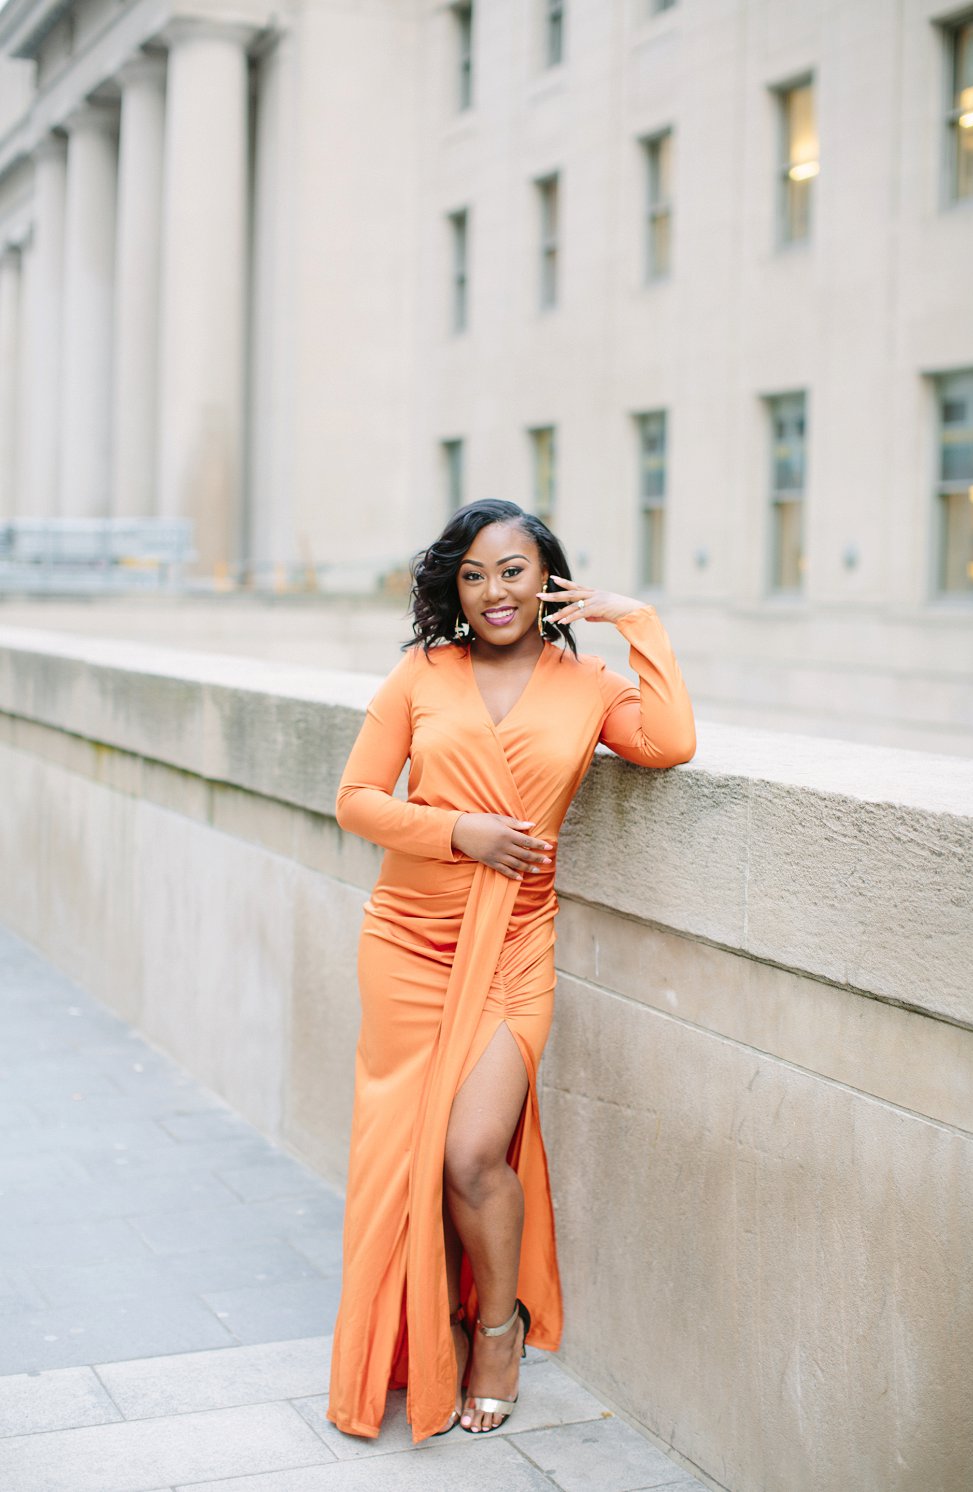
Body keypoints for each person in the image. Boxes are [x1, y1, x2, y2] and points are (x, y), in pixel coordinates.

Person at [326, 499, 696, 1441]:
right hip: (407, 937)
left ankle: (498, 1329)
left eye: (516, 571)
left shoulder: (589, 684)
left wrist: (637, 621)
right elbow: (356, 801)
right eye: (476, 575)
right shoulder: (422, 672)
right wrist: (459, 831)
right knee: (399, 1161)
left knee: (470, 1154)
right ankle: (416, 1338)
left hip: (517, 948)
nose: (496, 592)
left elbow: (671, 743)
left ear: (548, 580)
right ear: (455, 586)